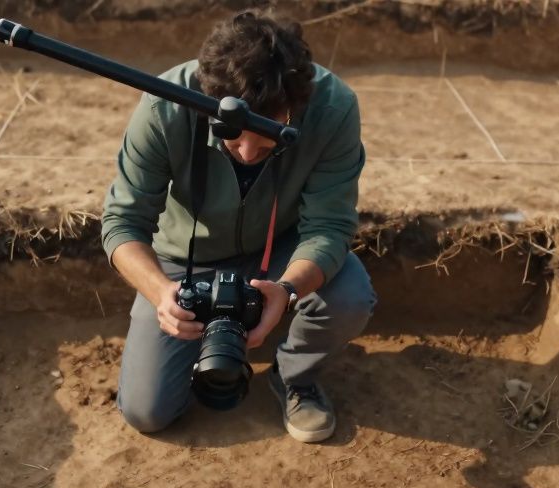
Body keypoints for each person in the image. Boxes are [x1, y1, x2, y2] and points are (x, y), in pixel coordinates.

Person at [100, 9, 376, 443]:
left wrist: (285, 291)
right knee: (146, 411)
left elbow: (330, 226)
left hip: (282, 250)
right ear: (208, 97)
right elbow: (122, 221)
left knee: (350, 295)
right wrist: (161, 295)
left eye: (267, 135)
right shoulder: (166, 103)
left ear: (296, 105)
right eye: (233, 134)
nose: (247, 151)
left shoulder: (333, 107)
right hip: (182, 264)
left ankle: (293, 376)